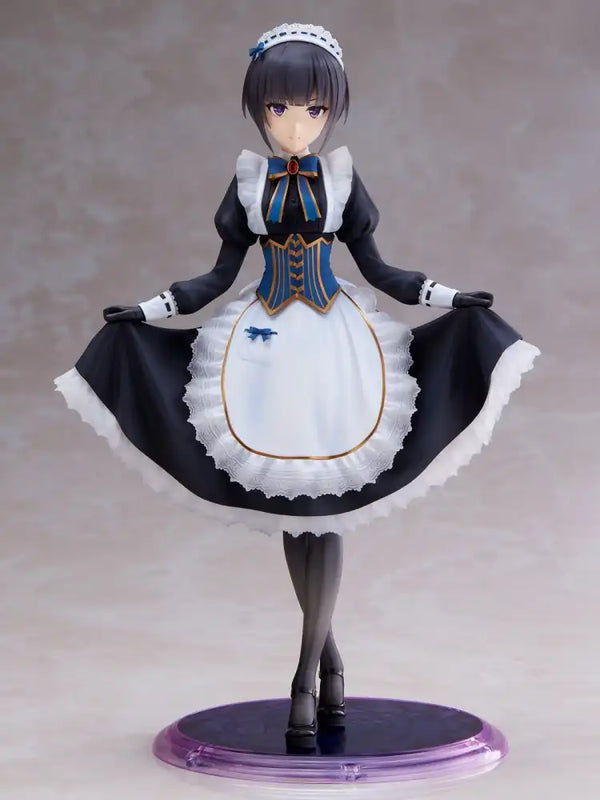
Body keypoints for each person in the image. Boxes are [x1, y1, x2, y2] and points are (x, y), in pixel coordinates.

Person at [54, 23, 539, 742]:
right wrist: (150, 310)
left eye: (313, 109)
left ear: (333, 110)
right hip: (264, 349)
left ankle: (305, 675)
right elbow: (218, 277)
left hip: (336, 346)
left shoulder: (341, 180)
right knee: (297, 509)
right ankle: (329, 662)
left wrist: (447, 297)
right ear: (258, 108)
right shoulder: (248, 182)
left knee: (325, 509)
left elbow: (380, 271)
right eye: (277, 108)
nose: (294, 124)